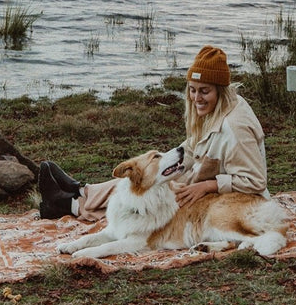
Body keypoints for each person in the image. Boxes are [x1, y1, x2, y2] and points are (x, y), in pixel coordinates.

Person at [38, 44, 270, 221]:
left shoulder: (235, 127)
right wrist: (162, 164)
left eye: (204, 91)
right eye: (192, 90)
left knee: (150, 196)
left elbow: (255, 182)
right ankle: (81, 190)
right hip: (201, 177)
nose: (197, 98)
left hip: (231, 199)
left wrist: (208, 186)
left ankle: (71, 205)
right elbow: (194, 147)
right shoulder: (219, 108)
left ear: (220, 90)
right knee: (148, 177)